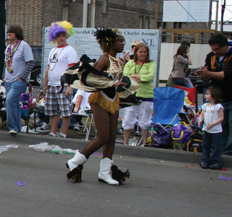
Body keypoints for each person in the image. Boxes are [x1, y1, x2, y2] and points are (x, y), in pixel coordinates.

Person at [64, 29, 139, 185]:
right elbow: (92, 78)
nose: (123, 43)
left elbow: (115, 80)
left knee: (111, 137)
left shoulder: (119, 60)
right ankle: (76, 161)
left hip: (113, 100)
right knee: (104, 136)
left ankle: (104, 173)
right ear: (110, 42)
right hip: (99, 99)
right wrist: (111, 83)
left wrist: (128, 83)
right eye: (120, 40)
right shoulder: (104, 59)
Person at [195, 33, 232, 156]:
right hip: (220, 98)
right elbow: (208, 76)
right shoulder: (211, 56)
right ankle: (220, 152)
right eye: (213, 49)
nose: (215, 52)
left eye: (217, 49)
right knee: (221, 127)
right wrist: (204, 75)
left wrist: (209, 74)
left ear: (225, 46)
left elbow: (228, 74)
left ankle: (229, 153)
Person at [42, 21, 78, 138]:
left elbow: (73, 70)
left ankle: (63, 134)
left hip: (63, 85)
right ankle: (53, 132)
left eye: (63, 35)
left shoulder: (70, 50)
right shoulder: (53, 51)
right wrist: (45, 84)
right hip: (52, 85)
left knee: (65, 111)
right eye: (58, 35)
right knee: (53, 111)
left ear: (67, 35)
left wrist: (69, 86)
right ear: (55, 37)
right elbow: (48, 68)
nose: (61, 38)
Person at [122, 42, 156, 146]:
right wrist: (139, 77)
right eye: (140, 52)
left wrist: (137, 77)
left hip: (146, 96)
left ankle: (145, 143)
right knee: (128, 119)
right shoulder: (130, 63)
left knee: (145, 120)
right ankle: (126, 142)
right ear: (136, 52)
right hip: (132, 95)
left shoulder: (151, 64)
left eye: (145, 52)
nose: (142, 54)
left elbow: (150, 77)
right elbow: (126, 77)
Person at [2, 25, 34, 136]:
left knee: (10, 100)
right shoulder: (8, 47)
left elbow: (30, 63)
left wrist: (22, 78)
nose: (8, 33)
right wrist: (3, 76)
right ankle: (17, 130)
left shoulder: (24, 46)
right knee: (14, 103)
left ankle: (12, 126)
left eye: (11, 32)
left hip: (19, 80)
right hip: (9, 79)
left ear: (17, 33)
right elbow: (6, 63)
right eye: (8, 32)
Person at [198, 86, 224, 170]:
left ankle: (215, 162)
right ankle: (205, 161)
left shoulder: (218, 107)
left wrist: (213, 124)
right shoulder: (205, 106)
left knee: (216, 147)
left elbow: (221, 117)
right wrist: (200, 120)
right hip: (206, 129)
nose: (206, 96)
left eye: (208, 94)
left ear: (214, 95)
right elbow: (202, 114)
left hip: (216, 131)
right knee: (205, 146)